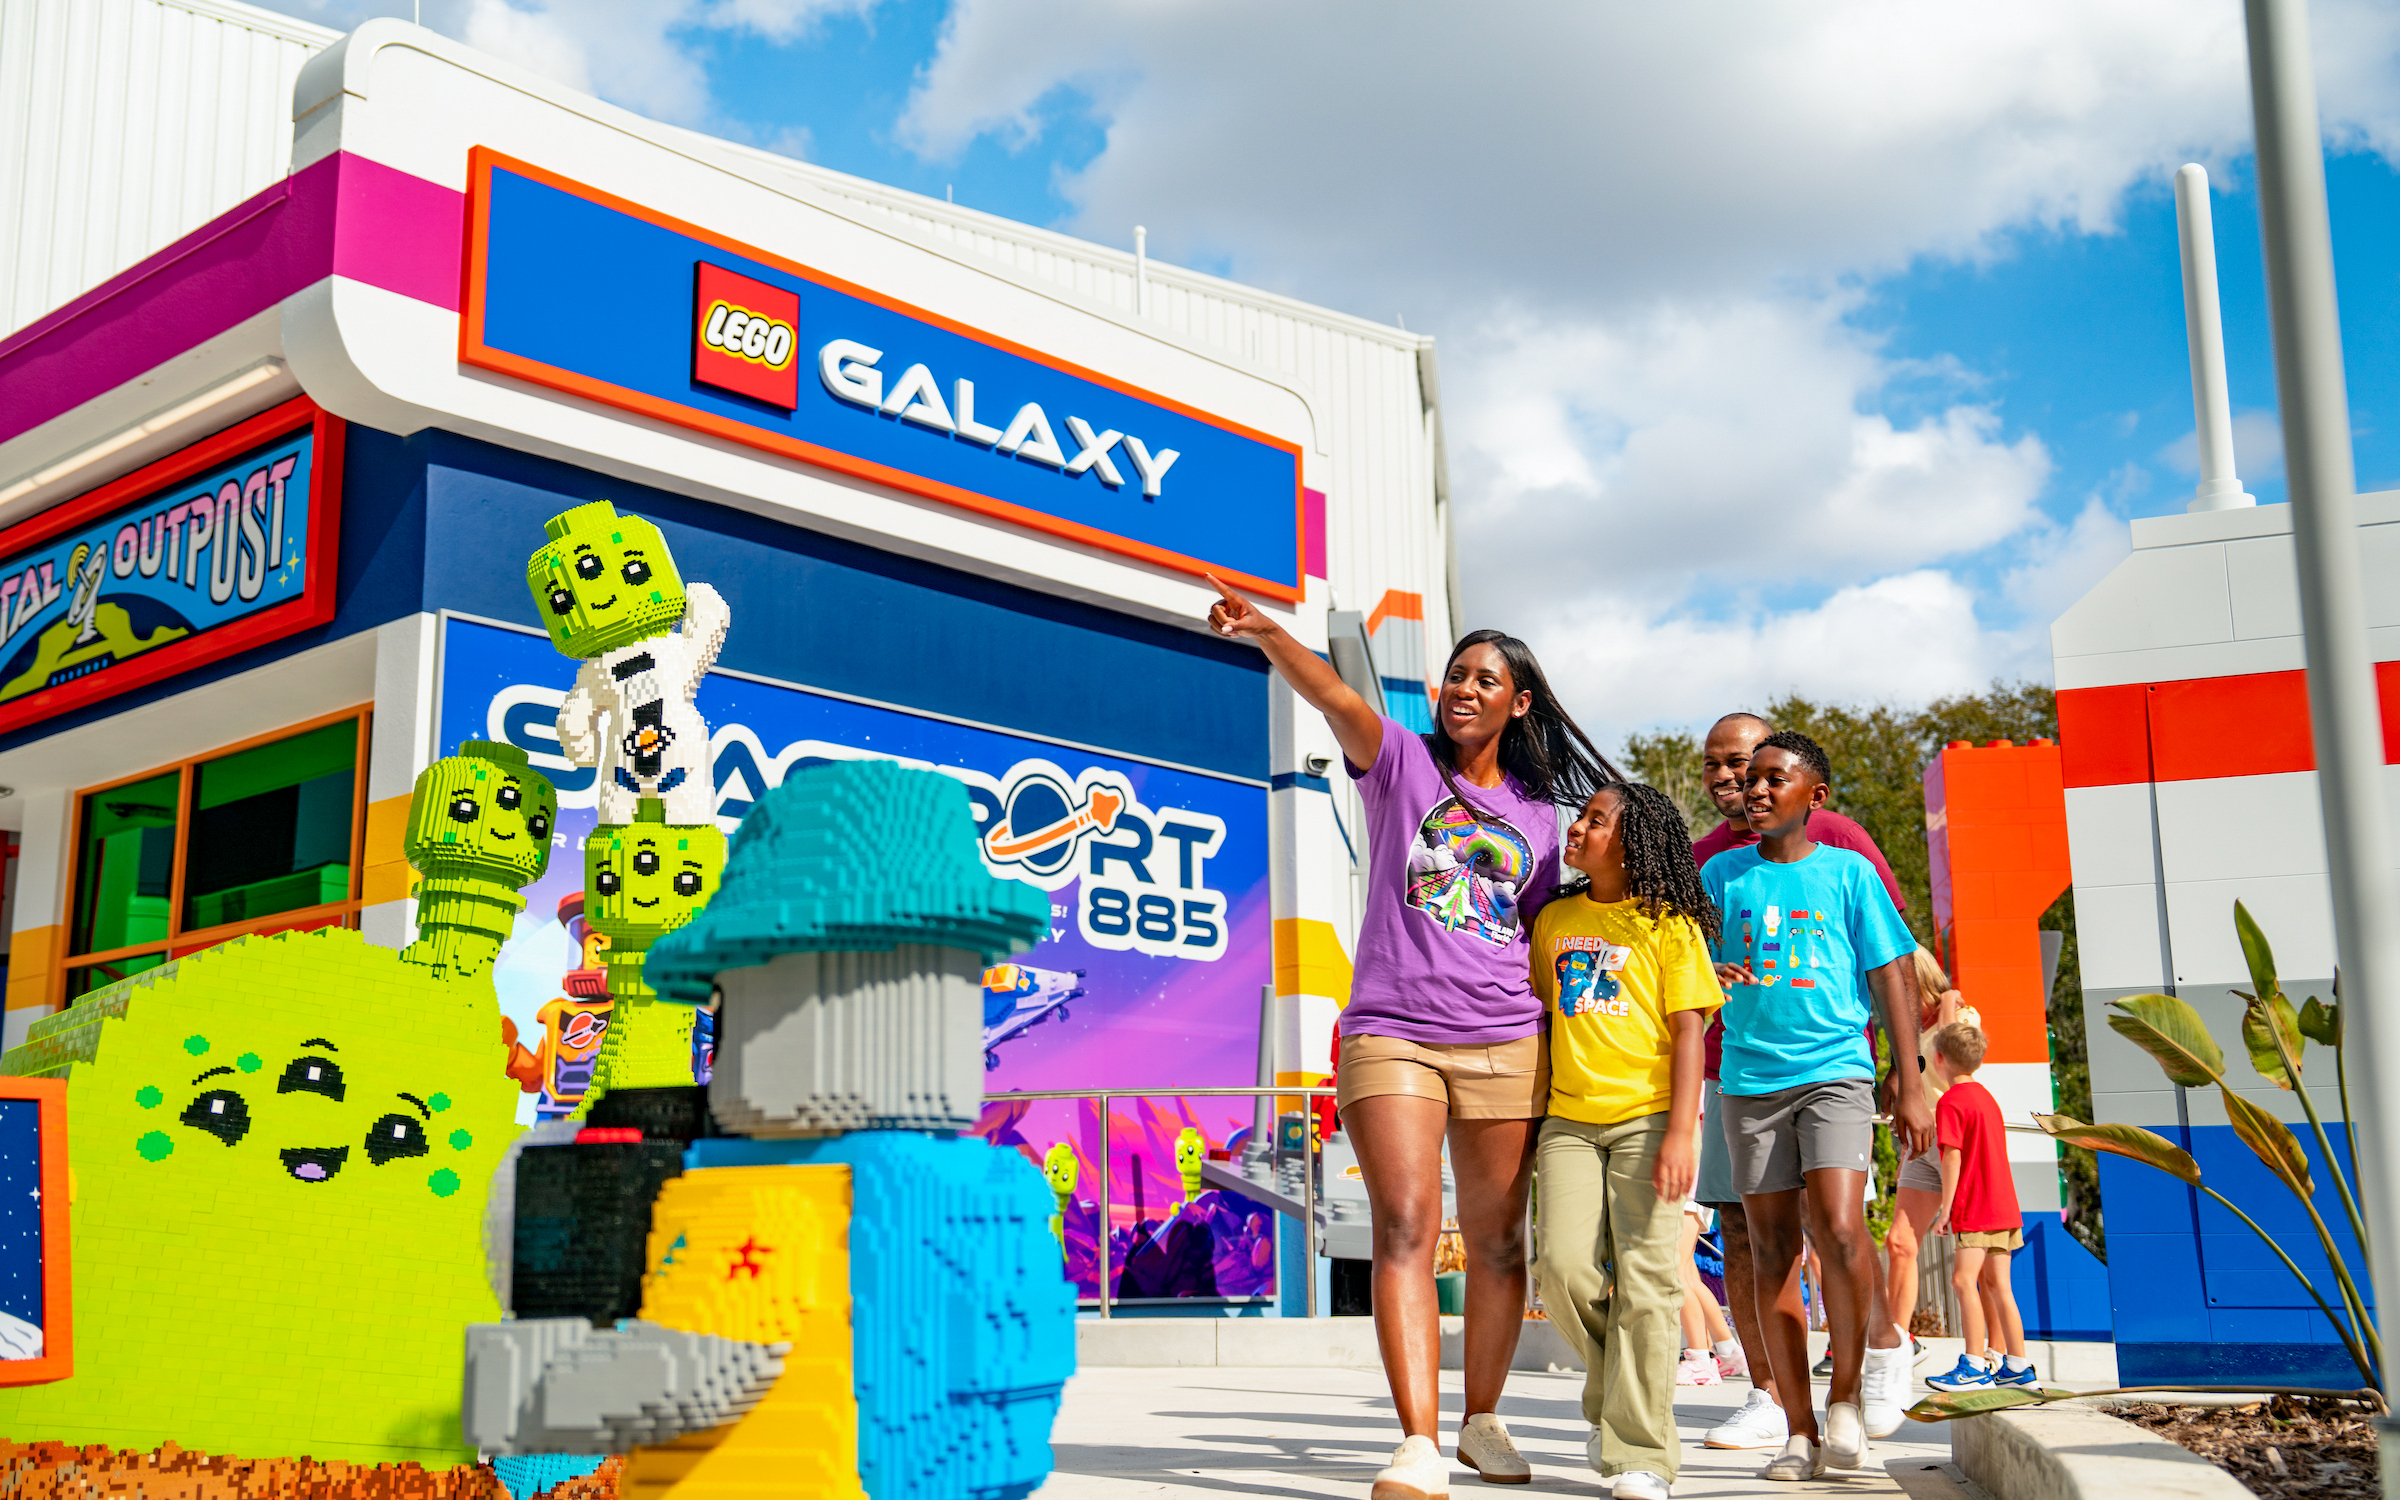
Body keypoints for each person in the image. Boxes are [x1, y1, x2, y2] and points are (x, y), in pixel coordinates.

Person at [1207, 577, 1619, 1500]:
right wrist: (1270, 634)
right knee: (1403, 1226)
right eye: (1452, 677)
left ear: (1519, 701)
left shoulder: (1549, 821)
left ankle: (1481, 1421)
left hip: (1509, 1038)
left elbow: (1570, 929)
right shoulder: (1399, 762)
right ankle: (1419, 1441)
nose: (1462, 690)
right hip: (1392, 1031)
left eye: (1482, 679)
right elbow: (1334, 695)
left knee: (1499, 1242)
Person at [1703, 731, 1933, 1481]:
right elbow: (1685, 958)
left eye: (1775, 779)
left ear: (1815, 797)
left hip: (1836, 1072)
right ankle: (1798, 1430)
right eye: (1750, 780)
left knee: (1837, 1227)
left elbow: (1892, 972)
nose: (1756, 790)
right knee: (1770, 1251)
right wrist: (1711, 968)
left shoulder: (1848, 873)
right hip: (1749, 1082)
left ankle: (1845, 1402)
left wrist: (1913, 1073)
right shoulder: (1721, 875)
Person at [1531, 781, 1721, 1500]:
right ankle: (1616, 1400)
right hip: (1569, 1121)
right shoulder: (1554, 920)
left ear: (1633, 841)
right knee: (1561, 1268)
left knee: (1648, 1285)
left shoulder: (1670, 925)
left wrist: (1681, 1132)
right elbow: (1544, 1019)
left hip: (1650, 1121)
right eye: (1580, 816)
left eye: (1596, 820)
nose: (1578, 828)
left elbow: (1689, 1034)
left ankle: (1640, 1453)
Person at [1923, 1023, 2036, 1391]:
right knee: (2000, 1286)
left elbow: (1952, 1158)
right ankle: (2018, 1366)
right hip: (2004, 1205)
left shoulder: (1950, 1103)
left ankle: (1973, 1364)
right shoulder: (1987, 1098)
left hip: (1976, 1206)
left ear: (1938, 1059)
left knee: (1962, 1281)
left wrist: (1945, 1210)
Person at [1883, 948, 1976, 1359]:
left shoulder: (1962, 1015)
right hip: (1922, 1144)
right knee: (1899, 1241)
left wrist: (1949, 1001)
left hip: (1960, 1143)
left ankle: (1996, 1355)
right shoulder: (1909, 1031)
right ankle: (1899, 1340)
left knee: (1979, 1261)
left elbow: (1950, 1056)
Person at [1674, 1197, 1738, 1386]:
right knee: (1687, 1273)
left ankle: (1700, 1358)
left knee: (1675, 1272)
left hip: (1683, 1194)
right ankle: (1726, 1350)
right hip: (1687, 1194)